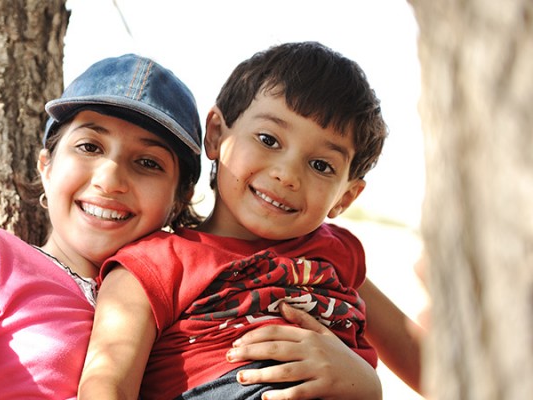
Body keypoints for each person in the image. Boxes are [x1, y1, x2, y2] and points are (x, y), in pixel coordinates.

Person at [0, 53, 383, 399]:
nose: (110, 178)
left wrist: (368, 384)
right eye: (89, 147)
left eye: (148, 162)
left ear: (178, 199)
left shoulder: (243, 269)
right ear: (46, 164)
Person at [79, 42, 391, 400]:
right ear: (215, 133)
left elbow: (436, 367)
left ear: (346, 197)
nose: (287, 175)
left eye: (321, 165)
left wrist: (366, 384)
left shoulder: (336, 253)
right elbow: (106, 386)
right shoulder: (155, 263)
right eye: (268, 139)